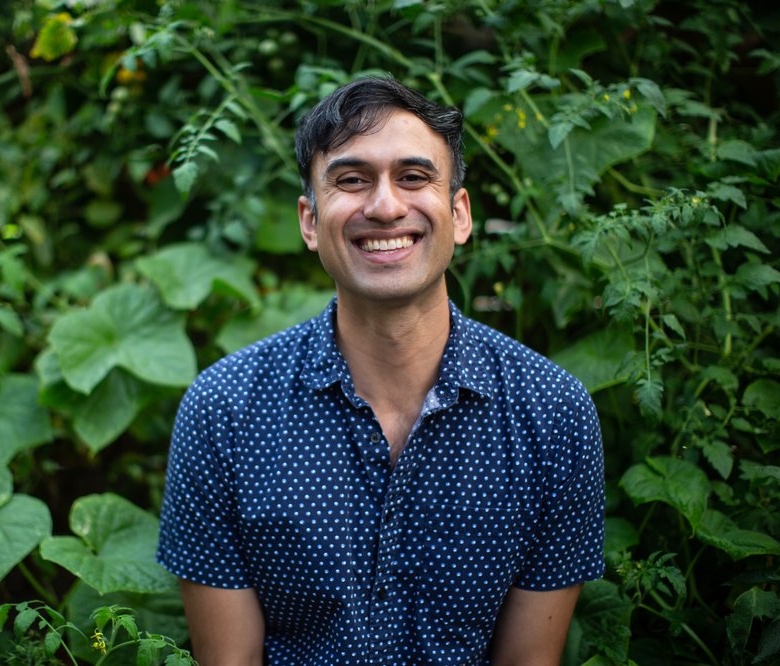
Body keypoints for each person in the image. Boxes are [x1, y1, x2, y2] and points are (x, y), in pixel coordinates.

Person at [157, 77, 605, 665]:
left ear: (460, 214)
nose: (386, 205)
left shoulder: (552, 412)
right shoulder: (224, 411)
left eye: (414, 177)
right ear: (310, 221)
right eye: (351, 180)